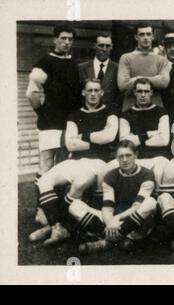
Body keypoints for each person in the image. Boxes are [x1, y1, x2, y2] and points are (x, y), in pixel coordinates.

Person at [29, 79, 118, 247]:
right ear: (83, 92)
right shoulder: (74, 115)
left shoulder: (110, 112)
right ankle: (58, 227)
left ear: (101, 93)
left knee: (78, 184)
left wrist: (82, 137)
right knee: (44, 180)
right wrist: (96, 139)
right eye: (89, 90)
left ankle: (55, 224)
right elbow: (70, 144)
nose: (93, 94)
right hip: (75, 160)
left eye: (96, 90)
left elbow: (109, 136)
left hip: (98, 162)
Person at [26, 24, 83, 224]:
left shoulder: (73, 63)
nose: (67, 42)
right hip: (50, 122)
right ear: (55, 40)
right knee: (46, 164)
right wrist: (42, 111)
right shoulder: (44, 62)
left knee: (62, 165)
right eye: (63, 38)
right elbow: (31, 93)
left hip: (69, 122)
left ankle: (56, 209)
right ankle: (41, 209)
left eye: (70, 39)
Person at [71, 140, 158, 254]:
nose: (125, 160)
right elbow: (108, 208)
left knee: (150, 202)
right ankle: (120, 239)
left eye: (128, 155)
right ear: (116, 158)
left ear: (136, 155)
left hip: (135, 222)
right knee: (74, 206)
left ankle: (107, 241)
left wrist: (116, 219)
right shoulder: (110, 175)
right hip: (114, 221)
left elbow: (137, 206)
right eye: (121, 156)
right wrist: (110, 222)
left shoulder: (146, 174)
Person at [119, 78, 170, 193]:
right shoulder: (126, 114)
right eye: (140, 91)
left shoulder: (161, 112)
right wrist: (150, 134)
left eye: (146, 92)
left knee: (158, 173)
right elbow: (124, 143)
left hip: (158, 157)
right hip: (136, 157)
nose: (143, 95)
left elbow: (163, 140)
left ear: (151, 92)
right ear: (134, 93)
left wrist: (135, 138)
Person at [117, 23, 171, 111]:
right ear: (136, 37)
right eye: (142, 34)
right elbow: (123, 85)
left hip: (155, 107)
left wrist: (137, 78)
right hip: (131, 107)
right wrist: (155, 79)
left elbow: (164, 82)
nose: (145, 37)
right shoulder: (126, 58)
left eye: (148, 34)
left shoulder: (161, 59)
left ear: (153, 36)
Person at [78, 32, 122, 114]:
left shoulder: (118, 68)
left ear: (112, 47)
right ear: (95, 46)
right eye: (101, 45)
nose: (104, 49)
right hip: (87, 114)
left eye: (107, 46)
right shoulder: (82, 68)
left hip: (110, 114)